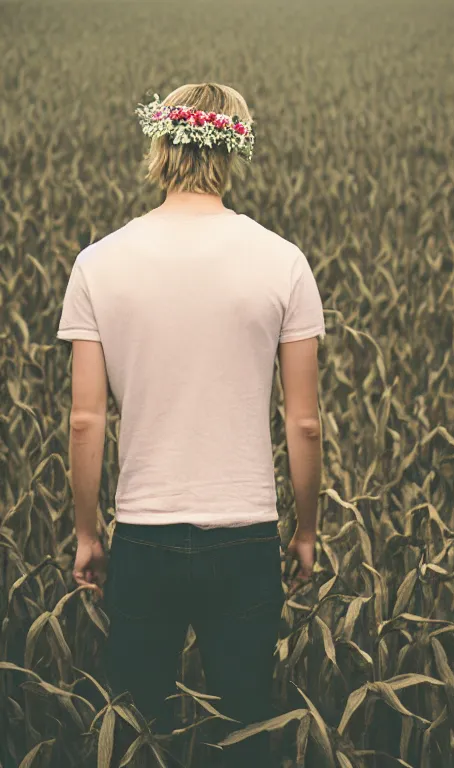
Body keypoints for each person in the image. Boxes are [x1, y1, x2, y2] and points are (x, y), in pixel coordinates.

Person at [56, 82, 325, 767]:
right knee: (246, 732)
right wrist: (305, 531)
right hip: (245, 538)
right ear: (234, 147)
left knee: (140, 736)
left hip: (143, 537)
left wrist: (89, 534)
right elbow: (304, 423)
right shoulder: (282, 260)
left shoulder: (98, 263)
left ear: (160, 142)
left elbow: (86, 420)